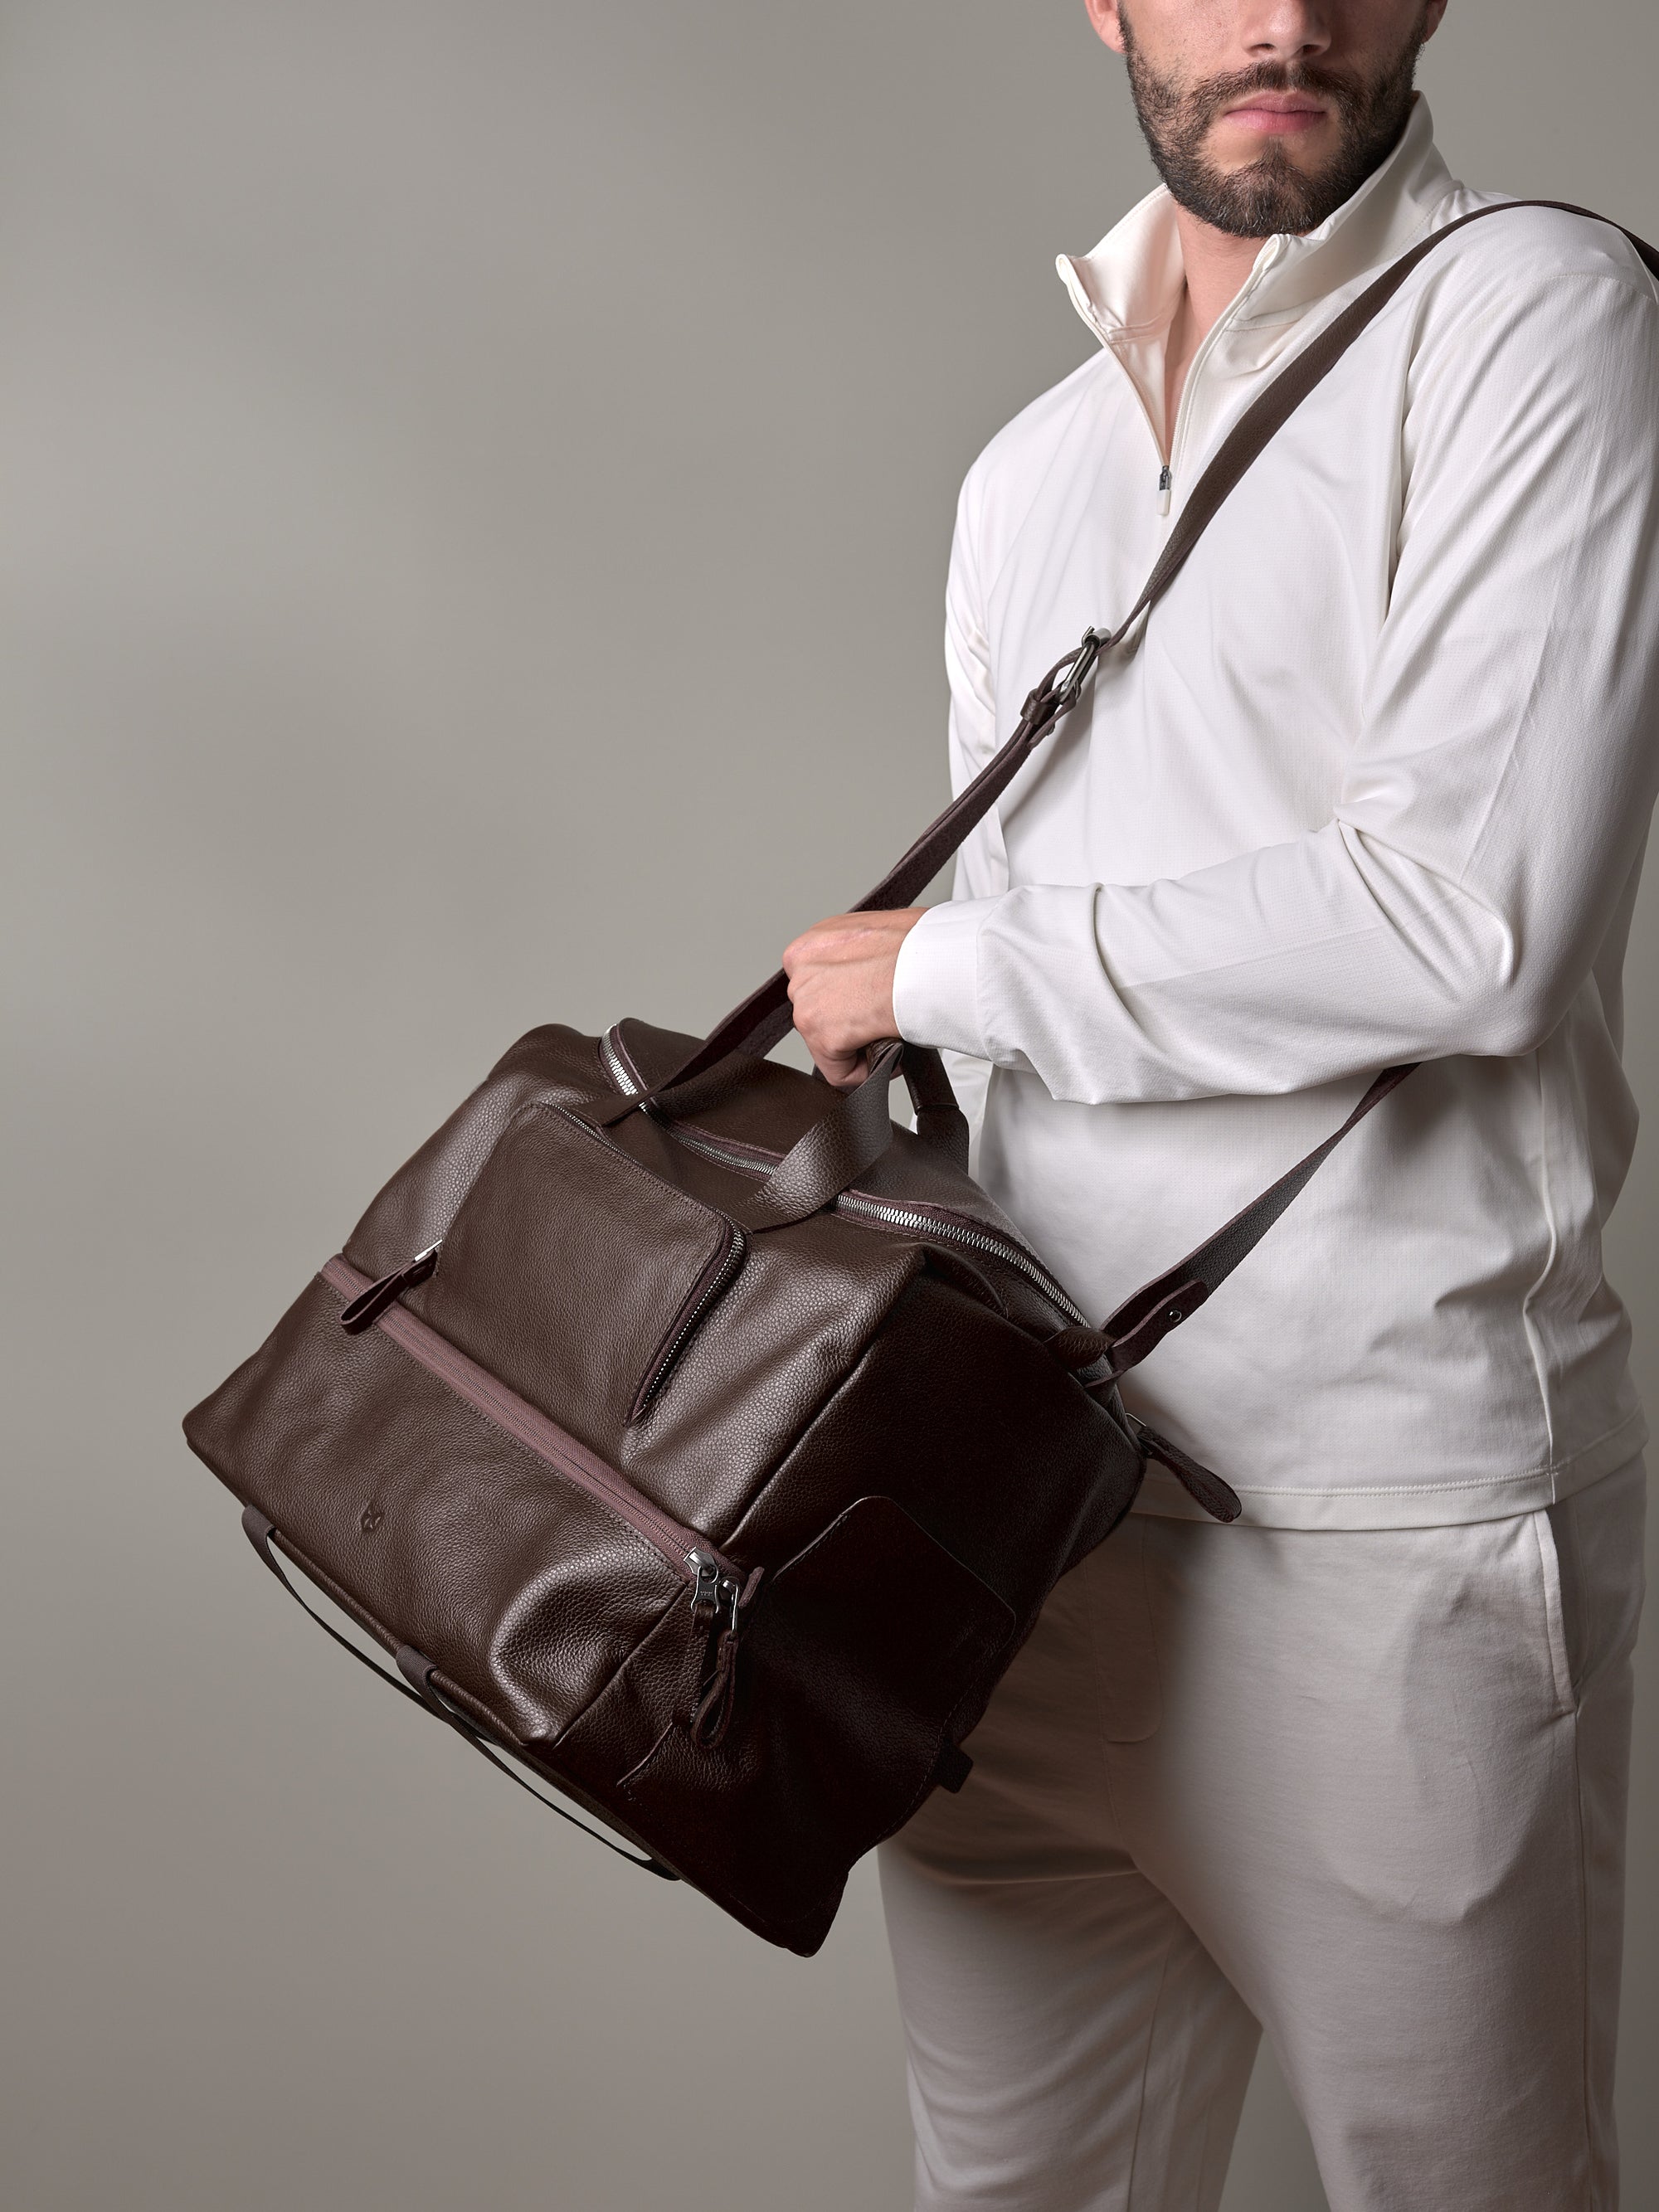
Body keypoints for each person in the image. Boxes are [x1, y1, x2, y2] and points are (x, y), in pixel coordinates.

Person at [780, 3, 1659, 2207]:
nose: (1282, 16)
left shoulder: (1533, 320)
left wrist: (950, 969)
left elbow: (1466, 915)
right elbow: (1014, 1069)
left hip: (1392, 1540)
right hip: (1030, 1535)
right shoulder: (1027, 476)